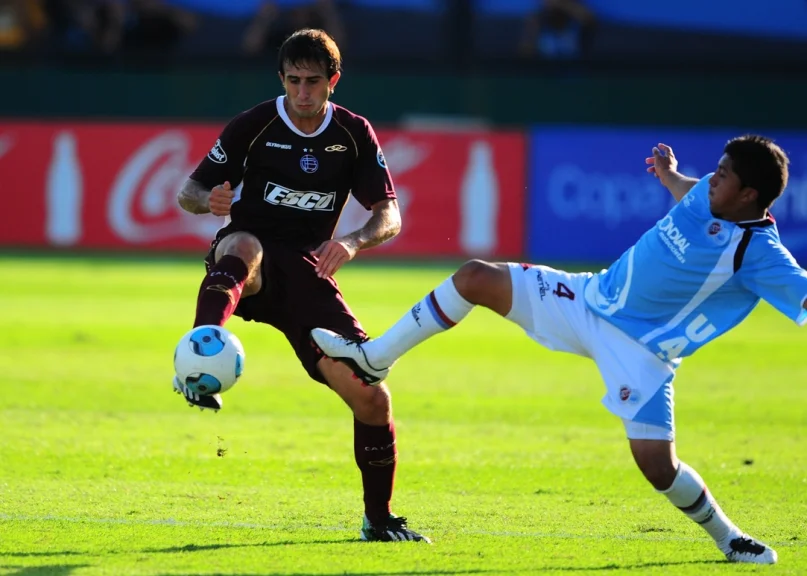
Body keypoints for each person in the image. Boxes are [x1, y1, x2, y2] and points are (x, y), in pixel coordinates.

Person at [311, 134, 806, 563]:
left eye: (723, 176)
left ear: (750, 195)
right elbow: (688, 190)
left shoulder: (761, 254)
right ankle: (375, 359)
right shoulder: (707, 195)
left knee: (657, 466)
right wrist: (670, 174)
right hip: (587, 298)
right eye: (715, 170)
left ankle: (730, 539)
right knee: (475, 277)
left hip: (641, 351)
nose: (711, 180)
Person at [173, 28, 429, 544]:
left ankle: (378, 522)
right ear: (282, 79)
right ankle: (198, 357)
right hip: (254, 260)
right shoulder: (256, 123)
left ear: (334, 81)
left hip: (309, 274)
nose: (303, 93)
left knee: (373, 401)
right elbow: (189, 191)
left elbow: (389, 214)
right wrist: (210, 203)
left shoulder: (354, 133)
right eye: (293, 81)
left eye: (314, 81)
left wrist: (354, 242)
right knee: (242, 247)